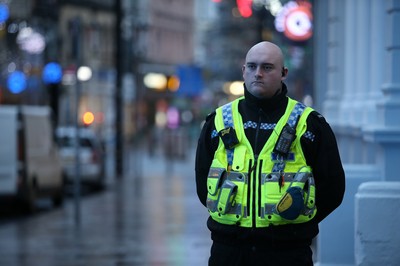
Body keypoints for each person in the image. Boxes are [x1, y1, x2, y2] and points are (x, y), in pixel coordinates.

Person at [195, 41, 345, 266]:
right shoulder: (217, 122)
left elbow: (332, 189)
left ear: (283, 73)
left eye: (267, 67)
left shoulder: (310, 125)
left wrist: (296, 226)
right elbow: (202, 184)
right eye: (252, 67)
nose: (258, 74)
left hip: (288, 254)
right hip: (229, 252)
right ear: (243, 71)